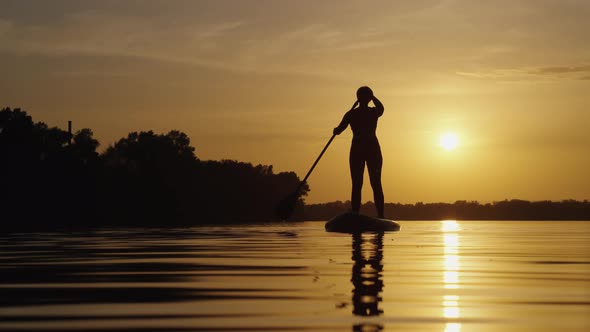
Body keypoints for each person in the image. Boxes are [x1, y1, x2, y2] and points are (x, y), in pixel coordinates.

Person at [333, 86, 385, 218]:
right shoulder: (355, 113)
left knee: (369, 183)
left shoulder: (354, 113)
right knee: (363, 183)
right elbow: (339, 129)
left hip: (368, 150)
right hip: (362, 150)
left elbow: (339, 129)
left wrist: (336, 129)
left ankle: (379, 215)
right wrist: (372, 97)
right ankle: (360, 213)